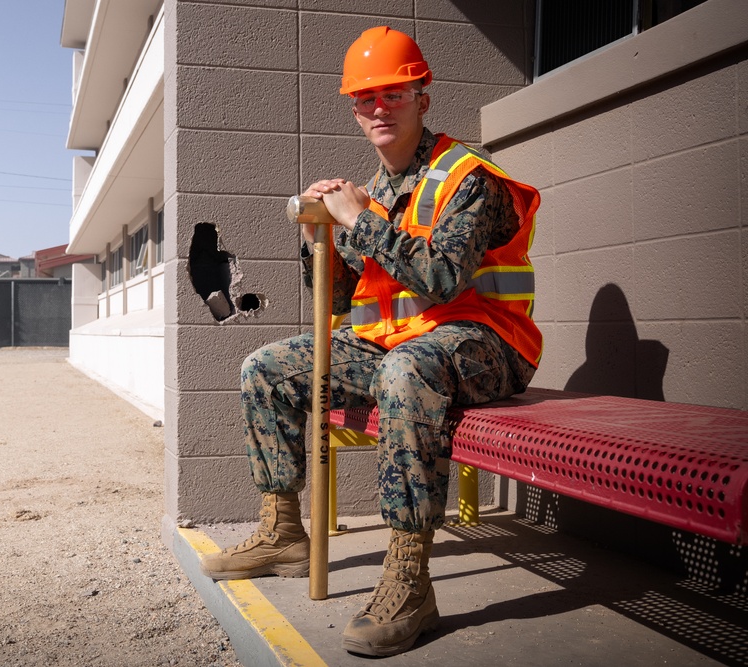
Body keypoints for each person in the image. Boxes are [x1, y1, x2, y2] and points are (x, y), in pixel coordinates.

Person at [200, 26, 542, 657]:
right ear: (355, 112)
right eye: (365, 99)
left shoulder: (468, 177)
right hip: (399, 347)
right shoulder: (376, 190)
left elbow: (440, 280)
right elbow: (335, 298)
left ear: (422, 97)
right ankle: (282, 532)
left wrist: (359, 220)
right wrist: (318, 237)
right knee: (266, 367)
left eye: (393, 93)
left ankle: (410, 577)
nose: (379, 108)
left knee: (406, 371)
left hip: (485, 345)